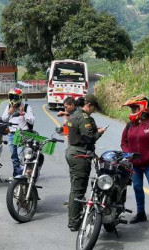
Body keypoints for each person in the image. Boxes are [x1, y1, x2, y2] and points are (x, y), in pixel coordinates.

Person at [121, 95, 149, 225]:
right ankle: (141, 213)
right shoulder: (130, 125)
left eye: (134, 109)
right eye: (132, 109)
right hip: (134, 164)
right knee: (137, 188)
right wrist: (128, 154)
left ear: (142, 108)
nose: (132, 112)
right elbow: (124, 142)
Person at [65, 94, 106, 231]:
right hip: (80, 155)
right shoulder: (84, 117)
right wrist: (99, 132)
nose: (94, 111)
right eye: (94, 108)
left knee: (74, 188)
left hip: (72, 152)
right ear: (89, 105)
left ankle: (73, 218)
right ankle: (74, 222)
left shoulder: (74, 114)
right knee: (78, 189)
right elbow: (90, 138)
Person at [2, 88, 35, 180]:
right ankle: (16, 175)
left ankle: (25, 174)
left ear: (20, 97)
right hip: (12, 134)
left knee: (21, 155)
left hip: (22, 134)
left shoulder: (27, 107)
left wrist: (23, 113)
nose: (13, 99)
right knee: (14, 156)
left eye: (15, 97)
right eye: (11, 96)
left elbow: (32, 120)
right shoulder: (9, 107)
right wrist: (9, 113)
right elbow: (4, 119)